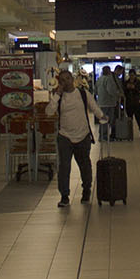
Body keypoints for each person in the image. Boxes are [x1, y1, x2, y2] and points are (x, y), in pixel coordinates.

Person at [52, 69, 106, 207]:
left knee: (85, 165)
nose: (65, 82)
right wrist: (57, 95)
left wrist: (101, 116)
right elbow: (49, 111)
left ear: (72, 79)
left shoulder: (82, 94)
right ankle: (64, 195)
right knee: (64, 167)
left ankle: (86, 190)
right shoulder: (58, 96)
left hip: (82, 135)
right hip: (65, 136)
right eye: (62, 80)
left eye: (67, 79)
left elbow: (93, 106)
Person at [95, 65, 123, 142]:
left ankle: (101, 135)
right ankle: (104, 136)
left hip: (101, 102)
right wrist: (118, 94)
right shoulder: (108, 79)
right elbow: (110, 90)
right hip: (109, 103)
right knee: (108, 120)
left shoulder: (99, 79)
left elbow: (95, 91)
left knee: (102, 119)